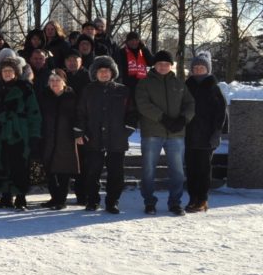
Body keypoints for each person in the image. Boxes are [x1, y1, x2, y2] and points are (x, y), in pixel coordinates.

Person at [135, 50, 195, 216]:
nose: (163, 67)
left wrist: (183, 119)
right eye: (160, 64)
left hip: (176, 134)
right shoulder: (144, 83)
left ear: (171, 66)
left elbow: (190, 103)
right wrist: (162, 118)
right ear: (154, 65)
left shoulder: (179, 83)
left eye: (166, 64)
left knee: (177, 171)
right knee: (148, 170)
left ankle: (175, 202)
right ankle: (149, 202)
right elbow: (143, 104)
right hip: (152, 132)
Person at [0, 56, 41, 209]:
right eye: (4, 71)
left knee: (19, 164)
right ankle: (6, 195)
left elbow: (34, 113)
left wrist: (34, 134)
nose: (7, 73)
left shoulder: (25, 88)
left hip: (19, 133)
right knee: (1, 164)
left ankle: (20, 196)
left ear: (16, 72)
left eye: (10, 71)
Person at [75, 56, 132, 214]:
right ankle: (92, 201)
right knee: (92, 172)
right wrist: (80, 132)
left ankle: (112, 202)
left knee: (116, 173)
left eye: (107, 71)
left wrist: (126, 130)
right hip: (93, 138)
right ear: (95, 73)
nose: (104, 74)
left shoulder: (123, 90)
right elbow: (80, 113)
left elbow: (132, 113)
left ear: (113, 72)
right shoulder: (88, 90)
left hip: (116, 139)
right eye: (100, 71)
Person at [184, 51, 227, 213]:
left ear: (208, 69)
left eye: (202, 67)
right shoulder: (187, 86)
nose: (198, 70)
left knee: (203, 170)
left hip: (206, 137)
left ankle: (202, 199)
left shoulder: (214, 88)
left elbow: (221, 113)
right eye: (195, 67)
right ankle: (192, 198)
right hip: (189, 136)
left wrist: (217, 133)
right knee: (191, 169)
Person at [37, 70, 80, 210]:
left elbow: (79, 116)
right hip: (48, 137)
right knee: (49, 169)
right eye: (52, 80)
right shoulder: (43, 96)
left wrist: (78, 132)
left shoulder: (71, 97)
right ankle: (54, 197)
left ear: (64, 82)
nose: (54, 83)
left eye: (57, 80)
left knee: (64, 170)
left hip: (65, 138)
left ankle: (61, 199)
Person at [114, 32, 152, 99]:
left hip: (142, 84)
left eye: (136, 40)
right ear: (127, 42)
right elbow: (118, 67)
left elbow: (151, 62)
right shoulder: (121, 52)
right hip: (127, 84)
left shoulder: (143, 51)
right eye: (131, 40)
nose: (134, 42)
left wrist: (144, 48)